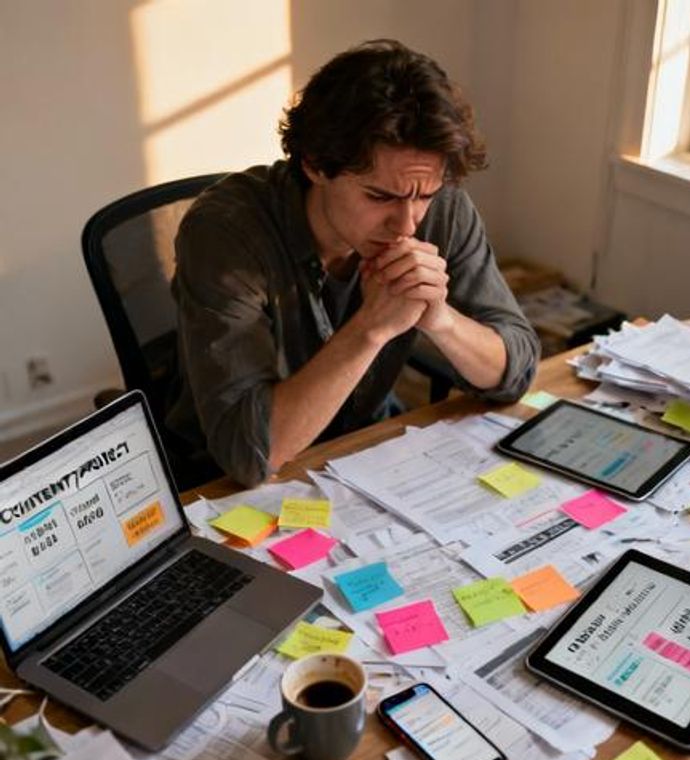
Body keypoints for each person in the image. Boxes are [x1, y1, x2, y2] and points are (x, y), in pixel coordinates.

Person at [167, 39, 540, 487]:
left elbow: (516, 372)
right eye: (379, 196)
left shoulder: (442, 209)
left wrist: (442, 320)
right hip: (222, 482)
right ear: (315, 166)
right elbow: (251, 453)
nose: (407, 224)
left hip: (363, 452)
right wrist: (371, 329)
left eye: (425, 195)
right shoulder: (226, 233)